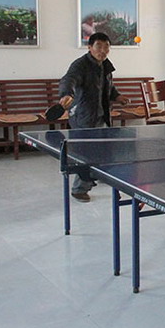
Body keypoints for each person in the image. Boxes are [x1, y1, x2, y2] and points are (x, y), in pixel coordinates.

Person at [59, 32, 130, 202]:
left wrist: (117, 96)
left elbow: (108, 87)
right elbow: (68, 80)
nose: (103, 51)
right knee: (88, 155)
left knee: (107, 151)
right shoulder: (80, 65)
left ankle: (105, 178)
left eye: (106, 47)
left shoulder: (105, 66)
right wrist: (67, 94)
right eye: (99, 46)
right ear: (90, 47)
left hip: (101, 115)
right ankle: (79, 190)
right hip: (83, 117)